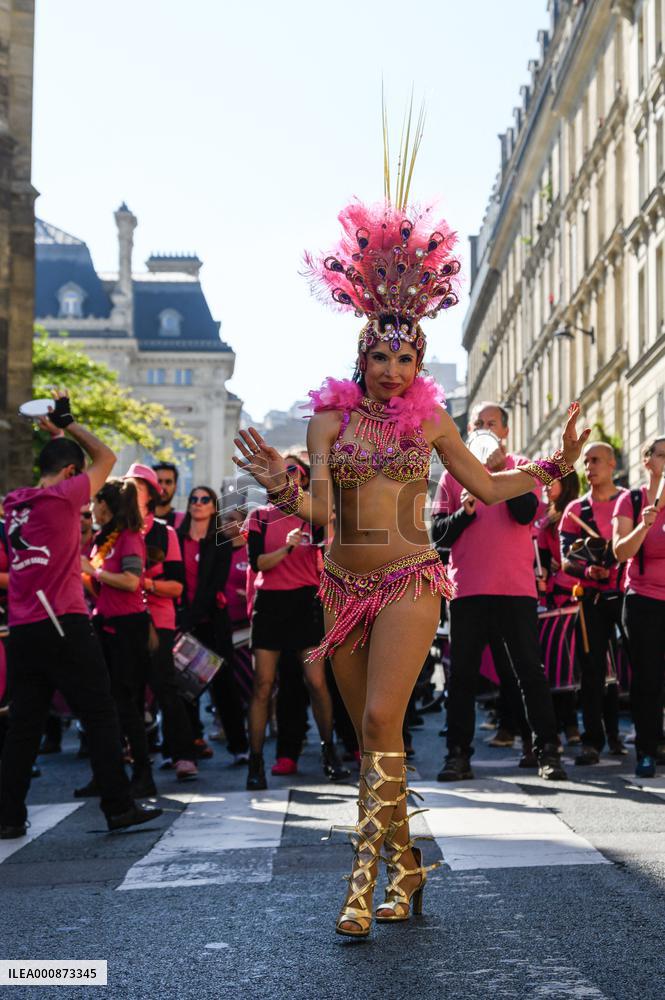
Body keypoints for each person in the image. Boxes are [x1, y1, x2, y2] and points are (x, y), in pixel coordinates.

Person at [233, 193, 589, 937]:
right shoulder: (326, 420)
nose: (393, 368)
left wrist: (551, 465)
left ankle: (360, 886)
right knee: (374, 741)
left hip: (409, 580)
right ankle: (410, 866)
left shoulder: (431, 419)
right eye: (380, 355)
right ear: (359, 355)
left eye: (406, 357)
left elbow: (489, 488)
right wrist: (281, 486)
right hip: (339, 584)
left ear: (417, 363)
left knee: (377, 716)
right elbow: (322, 516)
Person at [0, 391, 161, 836]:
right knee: (100, 712)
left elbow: (67, 466)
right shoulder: (63, 499)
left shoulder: (15, 503)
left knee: (24, 726)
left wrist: (55, 438)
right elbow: (106, 457)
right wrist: (68, 424)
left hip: (24, 626)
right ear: (72, 474)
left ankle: (8, 816)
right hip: (64, 622)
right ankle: (118, 806)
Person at [431, 402, 566, 782]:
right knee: (462, 678)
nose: (485, 428)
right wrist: (464, 513)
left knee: (528, 672)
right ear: (469, 431)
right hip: (468, 589)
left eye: (492, 423)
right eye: (479, 423)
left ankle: (546, 751)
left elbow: (525, 514)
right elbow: (438, 535)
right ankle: (458, 755)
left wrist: (502, 470)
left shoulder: (523, 467)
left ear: (505, 432)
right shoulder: (453, 474)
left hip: (514, 588)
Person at [243, 459, 349, 789]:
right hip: (270, 604)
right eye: (283, 471)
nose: (289, 476)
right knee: (263, 685)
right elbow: (258, 563)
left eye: (295, 472)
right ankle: (256, 761)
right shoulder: (258, 517)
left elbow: (331, 540)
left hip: (305, 602)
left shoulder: (312, 518)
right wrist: (289, 547)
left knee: (317, 682)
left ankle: (329, 751)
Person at [79, 477, 158, 799]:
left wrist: (93, 571)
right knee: (105, 707)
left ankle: (143, 775)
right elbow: (98, 584)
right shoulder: (102, 539)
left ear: (108, 505)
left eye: (96, 502)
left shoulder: (128, 538)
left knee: (127, 706)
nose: (92, 508)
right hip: (106, 625)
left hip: (127, 629)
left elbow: (129, 581)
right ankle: (107, 774)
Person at [125, 463, 199, 782]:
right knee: (127, 690)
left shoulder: (164, 533)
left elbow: (178, 586)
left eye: (141, 485)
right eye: (131, 485)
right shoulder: (115, 530)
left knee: (164, 686)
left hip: (158, 620)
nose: (134, 491)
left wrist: (142, 583)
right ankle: (134, 752)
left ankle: (183, 753)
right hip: (122, 619)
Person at [560, 442, 627, 765]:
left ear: (612, 463)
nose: (590, 467)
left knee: (644, 664)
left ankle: (646, 738)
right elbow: (564, 559)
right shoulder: (575, 510)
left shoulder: (631, 502)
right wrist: (588, 569)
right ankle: (592, 741)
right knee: (592, 670)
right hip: (591, 597)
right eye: (586, 461)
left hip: (628, 595)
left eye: (596, 460)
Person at [177, 486, 249, 763]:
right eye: (194, 499)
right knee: (184, 687)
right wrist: (182, 618)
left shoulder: (219, 541)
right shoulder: (178, 538)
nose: (198, 503)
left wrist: (190, 617)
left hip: (212, 624)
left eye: (205, 499)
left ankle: (239, 746)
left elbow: (213, 585)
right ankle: (190, 745)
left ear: (213, 506)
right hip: (183, 623)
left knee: (224, 687)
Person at [613, 436, 665, 777]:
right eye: (661, 455)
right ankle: (647, 749)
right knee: (648, 679)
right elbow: (621, 552)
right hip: (644, 599)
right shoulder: (631, 501)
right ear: (647, 461)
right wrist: (646, 523)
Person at [536, 472, 582, 743]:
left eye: (551, 481)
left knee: (580, 666)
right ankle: (567, 724)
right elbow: (542, 563)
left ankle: (589, 729)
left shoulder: (575, 513)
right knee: (556, 665)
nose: (545, 486)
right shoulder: (544, 521)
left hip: (577, 597)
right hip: (553, 600)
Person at [153, 462, 184, 528]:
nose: (163, 486)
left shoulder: (184, 522)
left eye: (168, 482)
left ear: (175, 487)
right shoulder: (139, 520)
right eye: (159, 481)